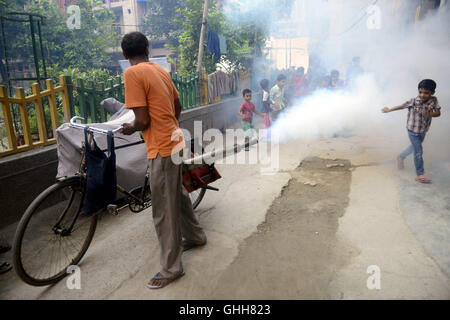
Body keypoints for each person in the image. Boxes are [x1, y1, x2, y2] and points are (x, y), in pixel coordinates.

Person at [120, 32, 207, 289]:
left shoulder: (132, 74)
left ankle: (171, 268)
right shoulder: (161, 70)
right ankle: (196, 236)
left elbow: (143, 121)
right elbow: (177, 107)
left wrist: (130, 127)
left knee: (163, 210)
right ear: (147, 48)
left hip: (161, 147)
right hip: (175, 139)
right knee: (177, 195)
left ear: (125, 56)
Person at [382, 79, 441, 184]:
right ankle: (420, 174)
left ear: (432, 93)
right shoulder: (413, 101)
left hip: (423, 130)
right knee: (418, 150)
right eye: (420, 92)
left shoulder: (434, 101)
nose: (422, 95)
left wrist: (429, 114)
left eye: (426, 93)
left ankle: (401, 157)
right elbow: (401, 106)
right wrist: (389, 110)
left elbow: (438, 113)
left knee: (414, 148)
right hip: (412, 130)